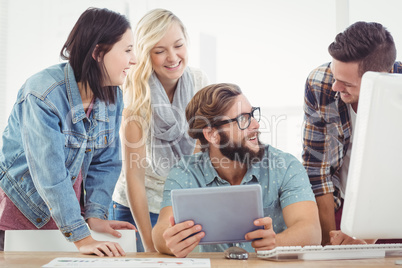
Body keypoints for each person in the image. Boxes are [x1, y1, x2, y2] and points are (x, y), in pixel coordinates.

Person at [0, 8, 137, 256]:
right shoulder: (43, 93)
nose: (134, 59)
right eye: (127, 50)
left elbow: (105, 162)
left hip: (68, 220)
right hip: (21, 214)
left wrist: (94, 215)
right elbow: (49, 174)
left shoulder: (112, 93)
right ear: (98, 52)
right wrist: (83, 237)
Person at [152, 83, 321, 257]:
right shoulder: (185, 172)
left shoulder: (285, 166)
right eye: (243, 119)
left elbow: (311, 230)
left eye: (252, 115)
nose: (255, 124)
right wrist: (169, 242)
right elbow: (160, 232)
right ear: (213, 135)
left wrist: (277, 242)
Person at [109, 9, 209, 252]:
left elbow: (199, 153)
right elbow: (135, 176)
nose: (173, 57)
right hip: (139, 208)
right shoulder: (135, 97)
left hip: (181, 201)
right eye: (160, 51)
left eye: (178, 45)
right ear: (145, 54)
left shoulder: (198, 82)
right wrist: (149, 242)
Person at [302, 21, 402, 246]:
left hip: (394, 203)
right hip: (343, 202)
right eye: (334, 74)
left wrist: (366, 236)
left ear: (380, 77)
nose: (335, 87)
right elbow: (316, 169)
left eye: (346, 83)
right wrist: (331, 245)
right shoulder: (320, 83)